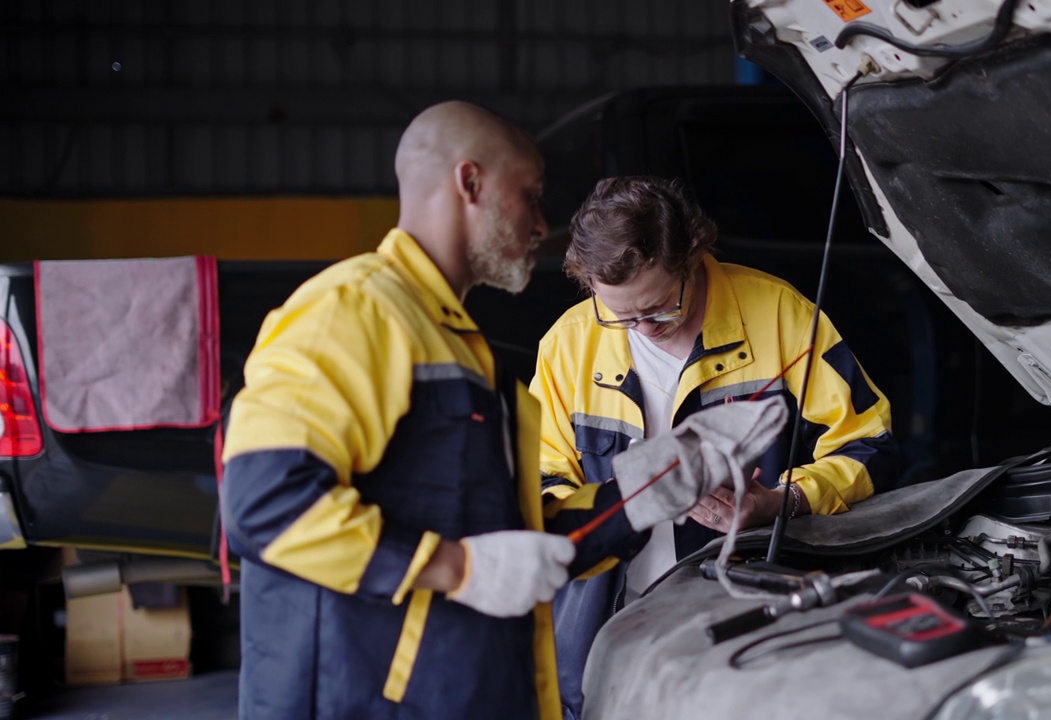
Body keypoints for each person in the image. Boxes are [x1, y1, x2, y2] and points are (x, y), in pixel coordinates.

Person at [220, 104, 787, 720]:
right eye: (531, 196)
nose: (543, 224)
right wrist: (455, 566)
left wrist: (659, 479)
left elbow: (510, 541)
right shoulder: (353, 313)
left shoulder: (453, 340)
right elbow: (263, 504)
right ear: (471, 184)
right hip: (355, 698)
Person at [531, 175, 901, 718]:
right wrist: (618, 504)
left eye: (657, 309)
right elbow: (542, 480)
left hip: (739, 618)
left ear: (692, 256)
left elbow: (873, 444)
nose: (643, 329)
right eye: (621, 316)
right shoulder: (567, 344)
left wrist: (784, 500)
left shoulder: (781, 317)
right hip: (601, 627)